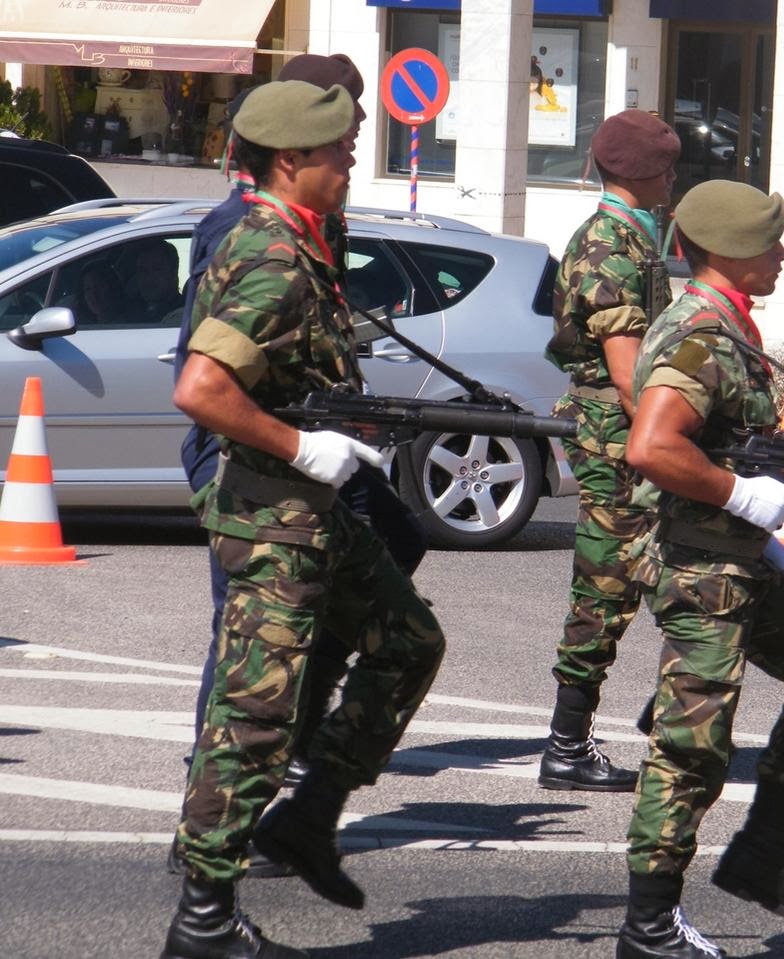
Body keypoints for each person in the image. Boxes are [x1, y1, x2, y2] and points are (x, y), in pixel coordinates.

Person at [162, 81, 447, 959]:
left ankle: (308, 818)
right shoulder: (274, 255)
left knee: (409, 640)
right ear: (289, 160)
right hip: (270, 515)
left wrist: (336, 427)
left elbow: (283, 373)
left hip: (306, 509)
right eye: (339, 152)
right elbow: (200, 388)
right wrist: (300, 444)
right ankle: (204, 919)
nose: (351, 162)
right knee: (254, 716)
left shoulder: (300, 240)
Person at [618, 179, 784, 958]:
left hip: (733, 558)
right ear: (726, 251)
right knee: (690, 749)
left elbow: (717, 437)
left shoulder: (724, 323)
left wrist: (767, 483)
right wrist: (740, 496)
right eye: (768, 242)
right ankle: (648, 926)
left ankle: (763, 846)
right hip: (702, 571)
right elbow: (652, 445)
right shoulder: (700, 334)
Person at [540, 109, 680, 792]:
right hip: (618, 441)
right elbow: (629, 377)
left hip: (629, 435)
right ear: (648, 174)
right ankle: (567, 745)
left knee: (673, 572)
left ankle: (673, 710)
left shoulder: (632, 236)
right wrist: (674, 439)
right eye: (667, 169)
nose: (674, 180)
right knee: (605, 587)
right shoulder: (608, 246)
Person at [128, 238, 184, 323]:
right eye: (142, 270)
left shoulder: (182, 315)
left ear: (173, 272)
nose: (148, 277)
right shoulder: (131, 311)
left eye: (157, 269)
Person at [71, 260, 126, 326]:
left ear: (113, 287)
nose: (93, 294)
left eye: (100, 286)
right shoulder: (86, 325)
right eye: (88, 289)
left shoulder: (126, 324)